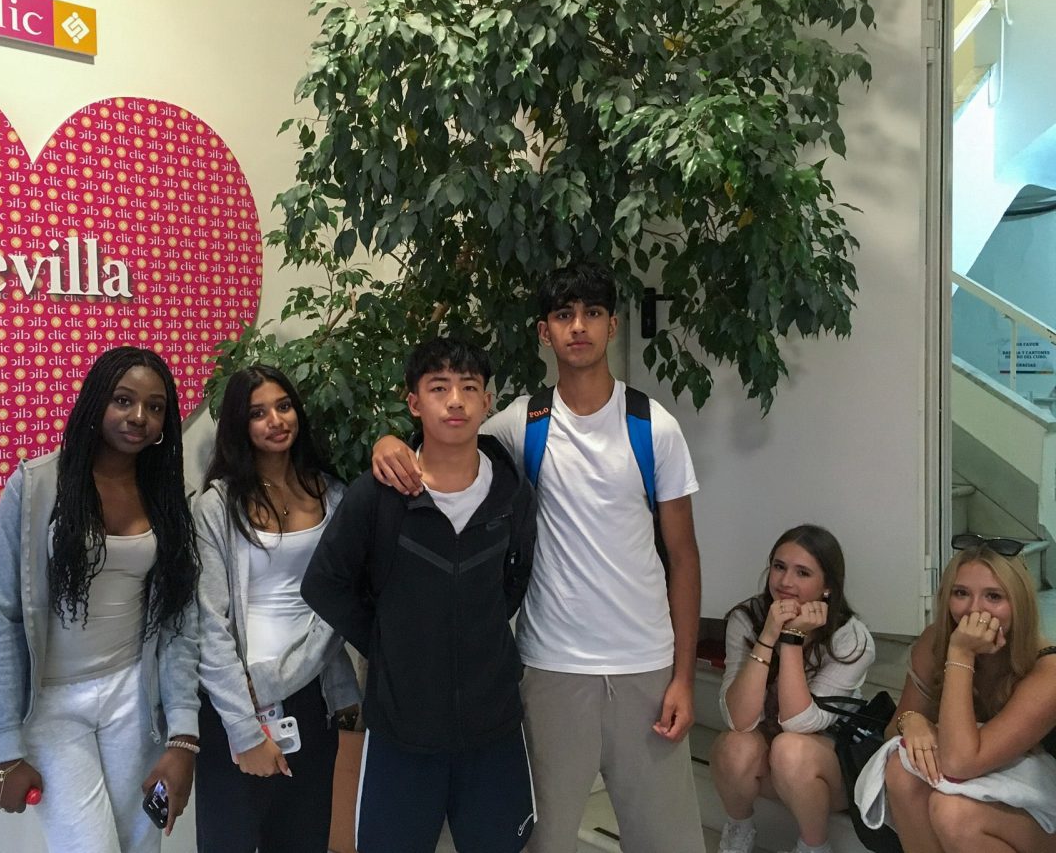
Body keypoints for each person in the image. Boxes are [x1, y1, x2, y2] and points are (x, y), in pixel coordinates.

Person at [372, 263, 705, 852]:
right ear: (543, 332)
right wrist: (390, 440)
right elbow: (448, 440)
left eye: (592, 313)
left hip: (646, 667)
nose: (578, 327)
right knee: (542, 839)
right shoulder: (522, 424)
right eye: (563, 314)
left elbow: (683, 556)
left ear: (612, 326)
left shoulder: (654, 427)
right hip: (550, 669)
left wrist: (682, 676)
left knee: (667, 841)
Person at [302, 337, 537, 853]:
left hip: (492, 725)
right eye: (439, 387)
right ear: (413, 402)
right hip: (400, 732)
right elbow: (323, 582)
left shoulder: (512, 493)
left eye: (469, 388)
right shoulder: (379, 493)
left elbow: (514, 579)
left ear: (487, 401)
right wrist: (386, 639)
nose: (455, 401)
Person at [0, 346, 203, 851]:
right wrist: (4, 745)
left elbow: (178, 622)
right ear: (96, 402)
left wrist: (183, 735)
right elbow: (1, 617)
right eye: (123, 400)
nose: (139, 416)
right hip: (53, 705)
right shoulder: (35, 486)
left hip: (133, 698)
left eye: (155, 407)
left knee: (139, 845)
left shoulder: (169, 497)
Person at [191, 364, 361, 853]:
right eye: (257, 413)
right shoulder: (216, 507)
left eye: (284, 406)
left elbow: (340, 604)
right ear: (238, 425)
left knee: (304, 839)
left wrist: (283, 680)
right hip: (233, 698)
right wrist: (244, 726)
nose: (275, 420)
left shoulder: (334, 496)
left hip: (311, 693)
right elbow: (209, 622)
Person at [881, 534, 1056, 853]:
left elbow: (960, 762)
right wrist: (913, 722)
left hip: (1044, 811)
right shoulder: (935, 641)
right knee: (901, 768)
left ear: (1019, 604)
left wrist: (961, 655)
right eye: (961, 593)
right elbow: (893, 729)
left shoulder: (1048, 669)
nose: (975, 611)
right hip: (993, 784)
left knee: (954, 814)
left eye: (994, 596)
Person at [711, 525, 875, 853]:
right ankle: (738, 830)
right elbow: (739, 720)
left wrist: (791, 639)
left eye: (802, 573)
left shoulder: (852, 639)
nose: (785, 582)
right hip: (769, 761)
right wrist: (768, 636)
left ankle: (814, 847)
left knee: (790, 749)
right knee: (734, 746)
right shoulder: (748, 618)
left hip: (828, 770)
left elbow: (798, 724)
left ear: (827, 587)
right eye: (779, 566)